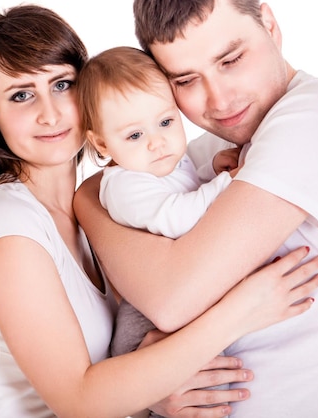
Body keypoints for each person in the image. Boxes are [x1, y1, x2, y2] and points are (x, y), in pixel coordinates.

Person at [0, 3, 318, 418]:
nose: (50, 112)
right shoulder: (6, 223)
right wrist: (243, 311)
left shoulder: (92, 211)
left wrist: (148, 390)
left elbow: (104, 383)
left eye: (62, 84)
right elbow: (79, 401)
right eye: (21, 95)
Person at [74, 0, 318, 417]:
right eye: (186, 79)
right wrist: (152, 380)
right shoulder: (197, 160)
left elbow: (171, 298)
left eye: (231, 59)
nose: (219, 99)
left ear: (270, 26)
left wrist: (90, 198)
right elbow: (139, 308)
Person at [76, 45, 241, 415]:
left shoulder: (161, 163)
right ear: (102, 144)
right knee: (189, 396)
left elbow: (183, 188)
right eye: (134, 136)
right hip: (144, 328)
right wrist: (226, 185)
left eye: (166, 122)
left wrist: (211, 170)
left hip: (178, 302)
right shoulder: (123, 185)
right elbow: (176, 218)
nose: (157, 141)